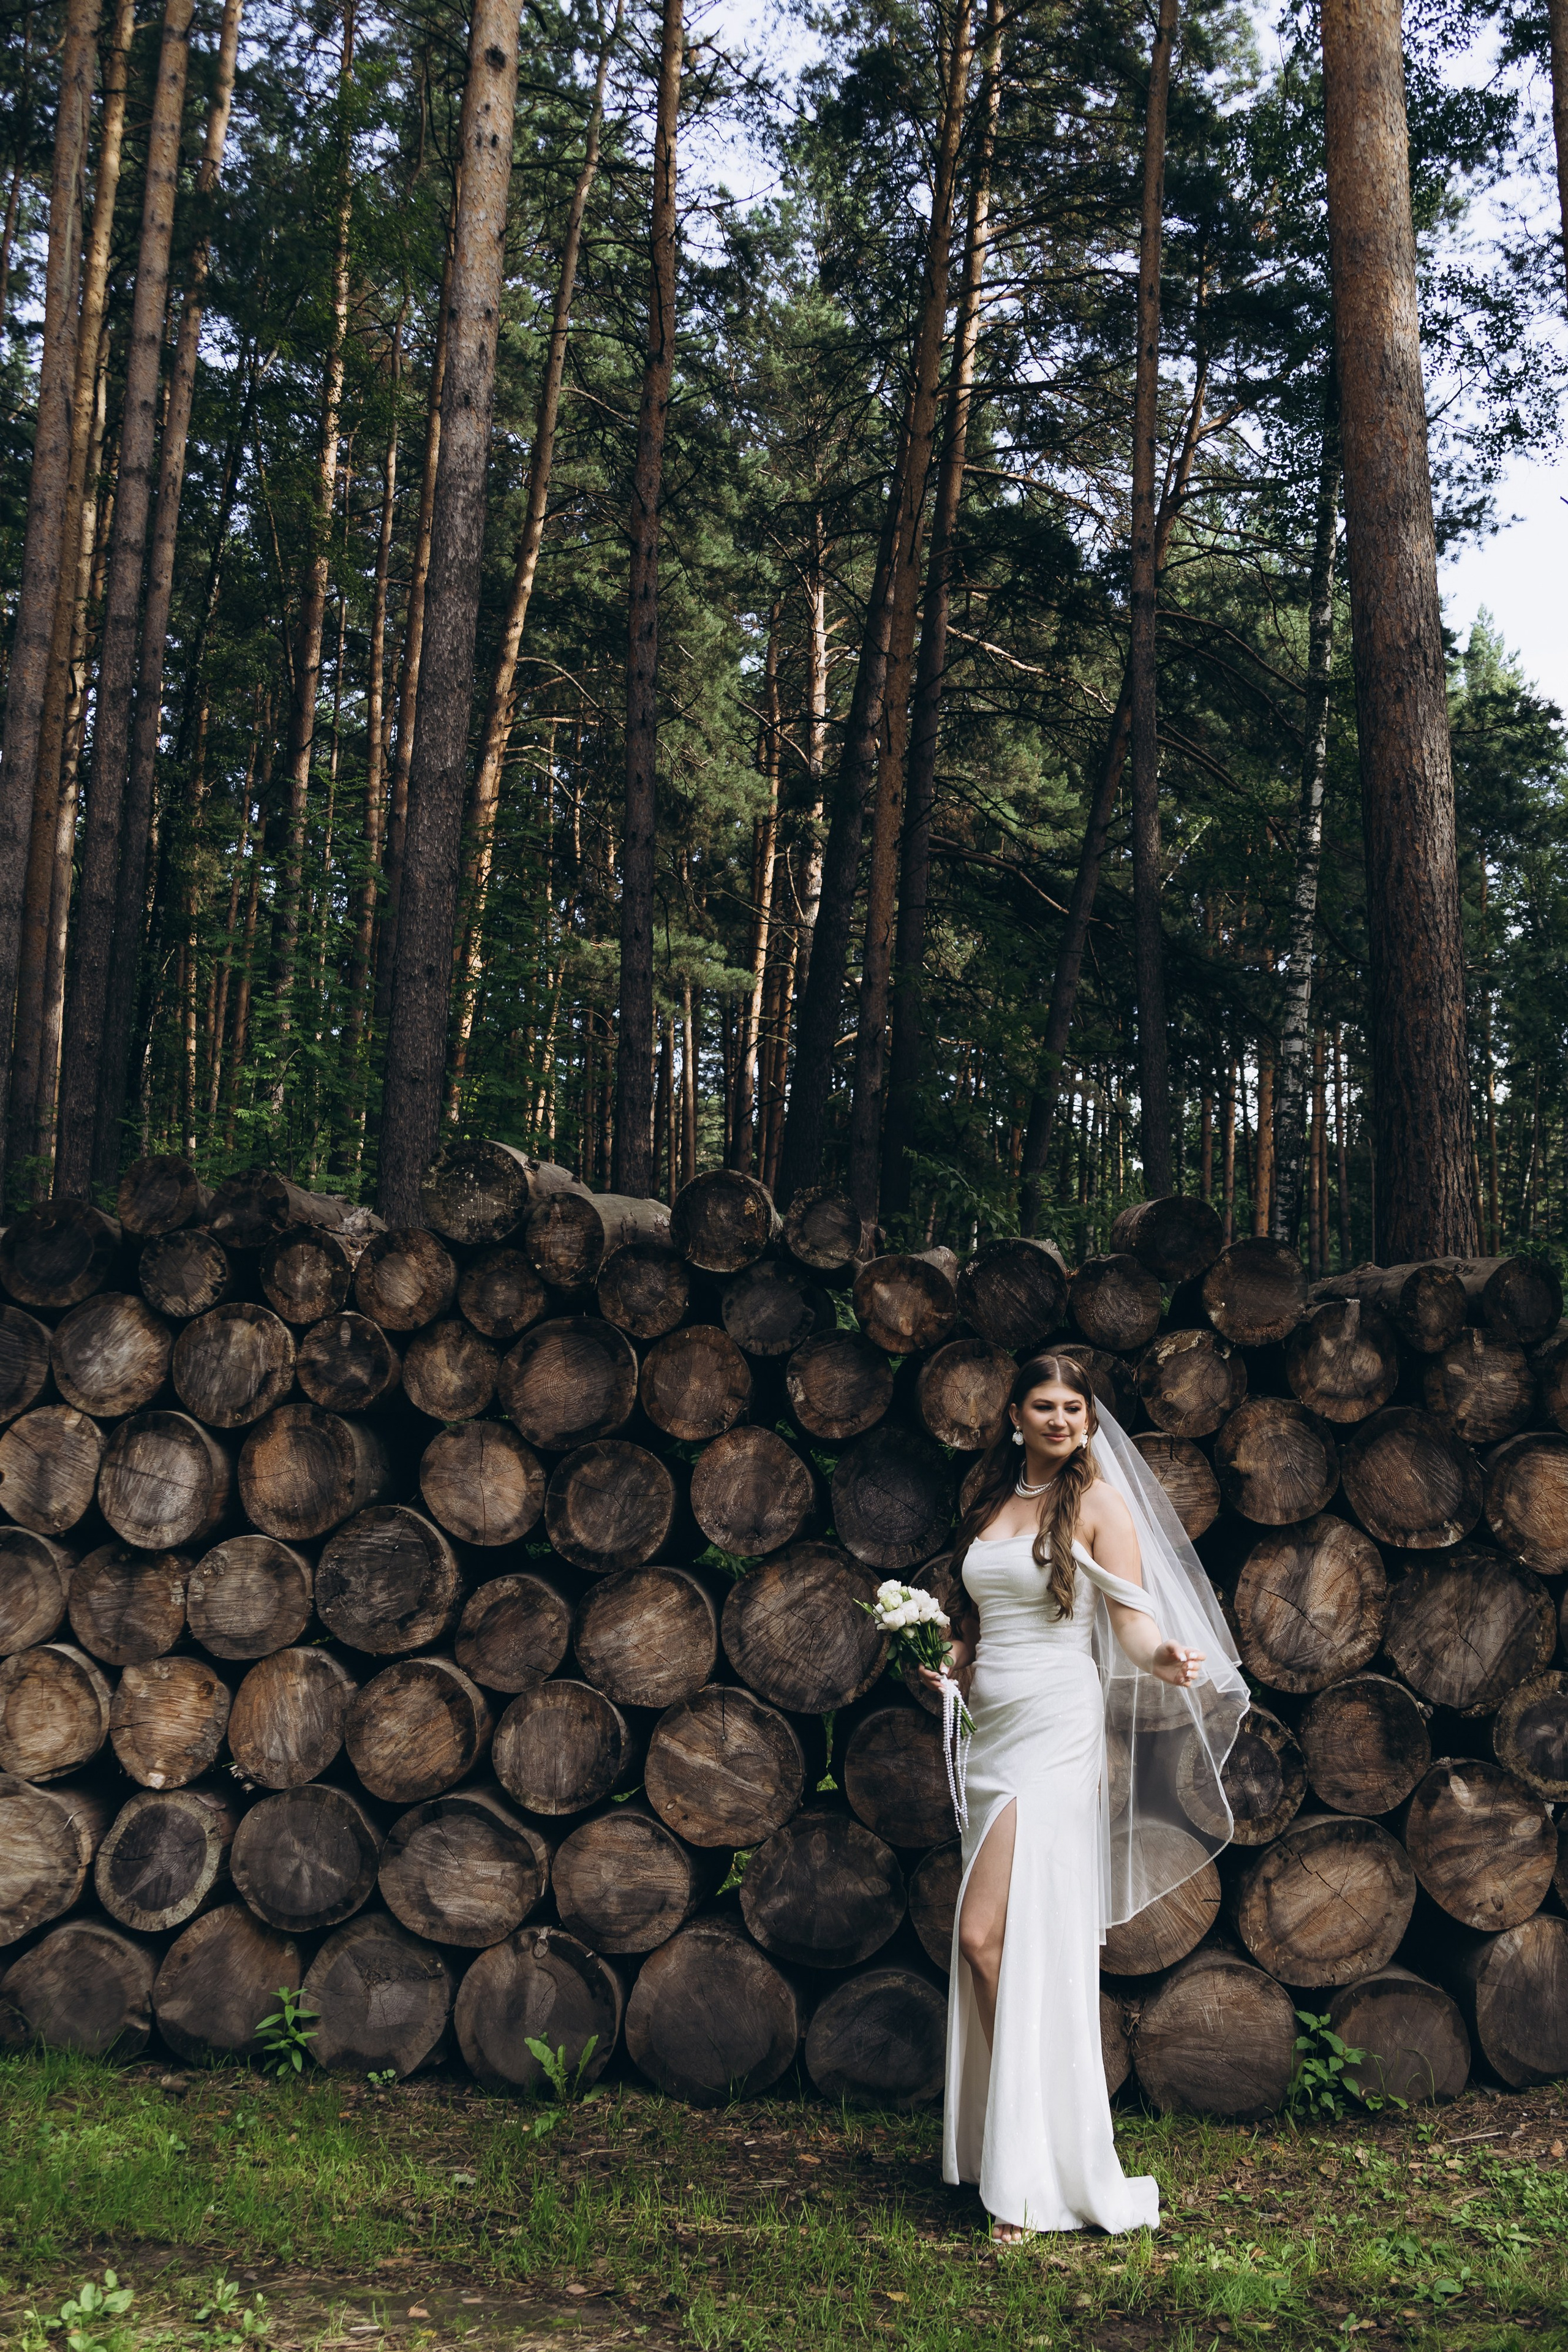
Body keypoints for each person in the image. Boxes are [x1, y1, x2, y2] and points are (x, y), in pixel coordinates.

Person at [919, 1352, 1248, 2241]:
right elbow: (987, 1624)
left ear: (1087, 1421)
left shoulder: (1098, 1505)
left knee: (990, 1936)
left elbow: (1132, 1624)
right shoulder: (994, 1503)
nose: (1060, 1419)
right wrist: (947, 1658)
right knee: (994, 1942)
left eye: (1074, 1407)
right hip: (993, 1729)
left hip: (1058, 1731)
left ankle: (1037, 2168)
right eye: (1043, 1405)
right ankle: (1016, 2151)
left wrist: (1165, 1659)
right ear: (1015, 1417)